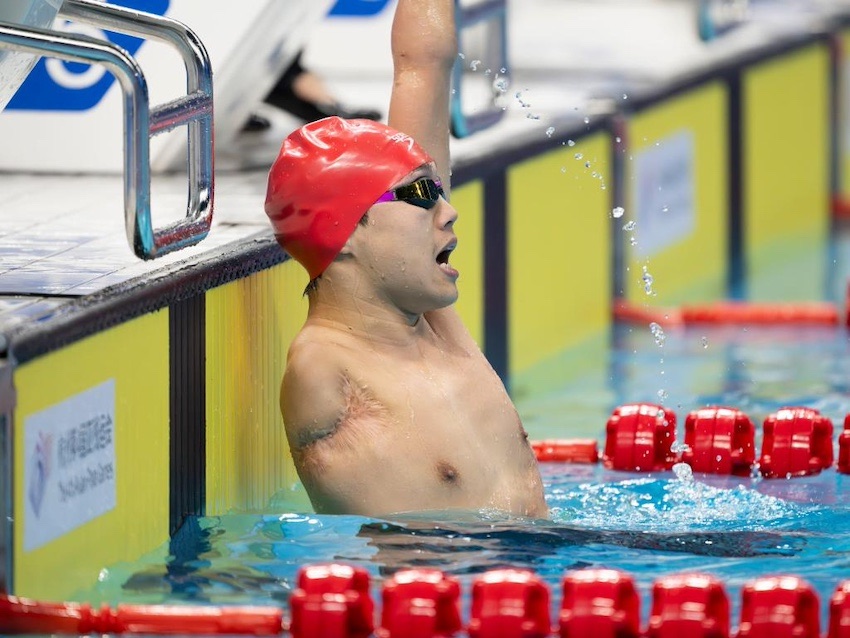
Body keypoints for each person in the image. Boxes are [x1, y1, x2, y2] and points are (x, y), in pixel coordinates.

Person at [263, 0, 547, 518]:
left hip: (536, 580)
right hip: (438, 595)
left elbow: (424, 66)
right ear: (341, 230)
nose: (450, 210)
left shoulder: (436, 328)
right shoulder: (324, 369)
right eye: (420, 194)